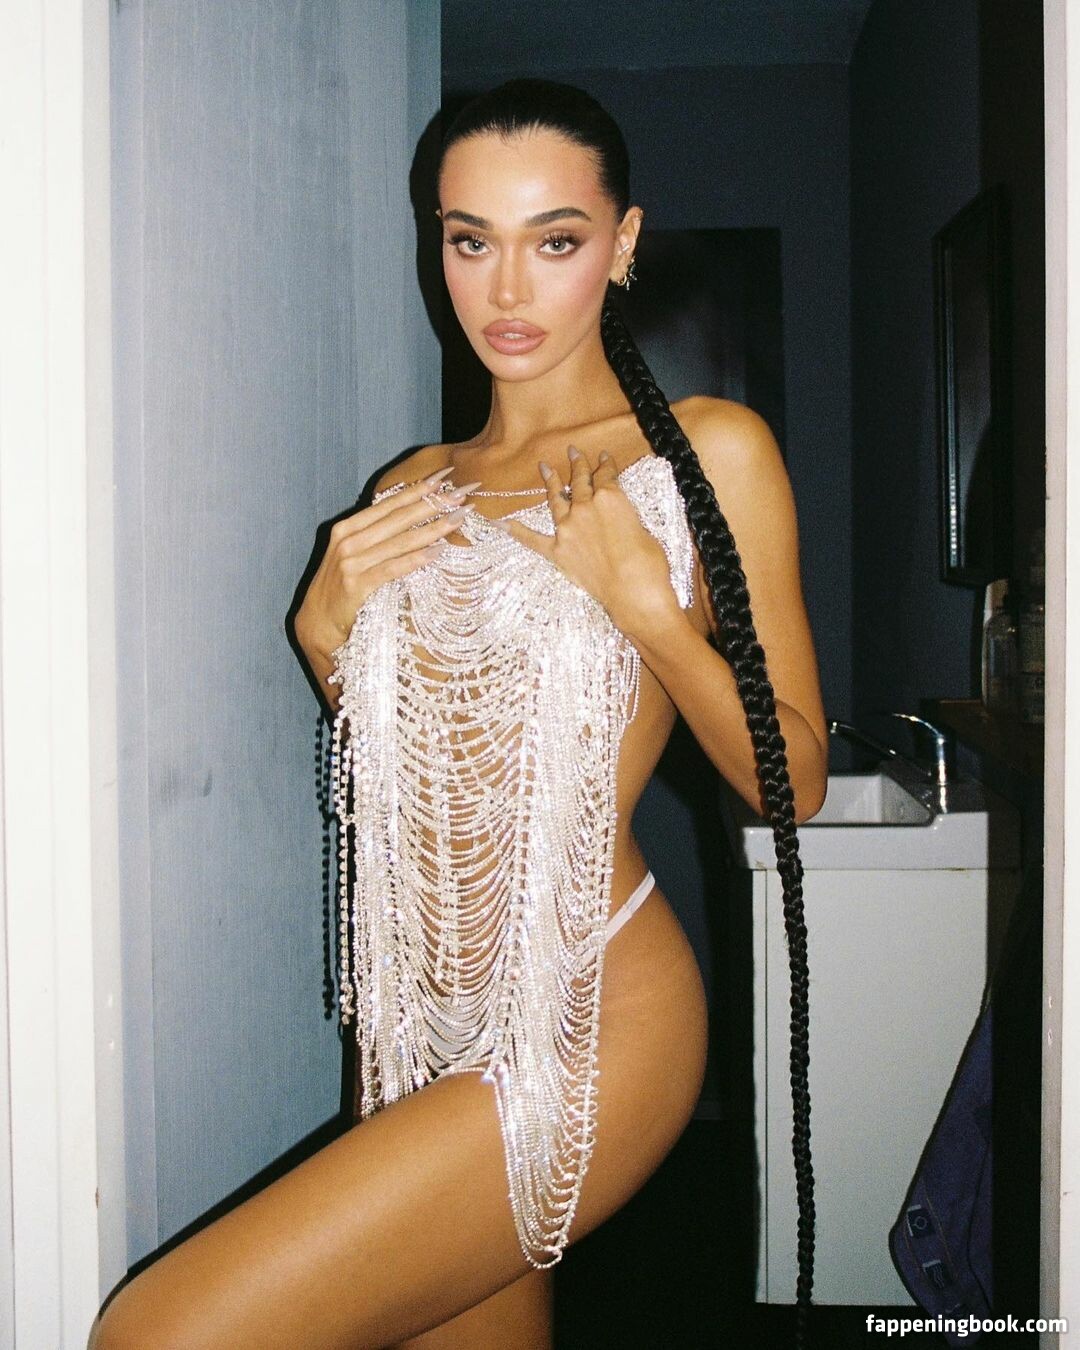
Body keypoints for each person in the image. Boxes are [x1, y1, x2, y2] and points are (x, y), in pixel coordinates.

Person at [90, 78, 827, 1350]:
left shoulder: (706, 453)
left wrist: (648, 610)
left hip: (593, 1015)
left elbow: (792, 780)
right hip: (415, 1009)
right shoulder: (414, 486)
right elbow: (419, 763)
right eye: (470, 240)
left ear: (624, 242)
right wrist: (323, 639)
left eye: (556, 240)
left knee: (152, 1334)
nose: (507, 288)